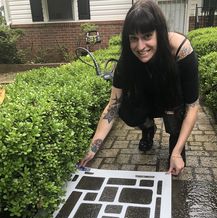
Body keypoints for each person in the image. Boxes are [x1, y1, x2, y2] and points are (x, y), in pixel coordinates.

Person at [79, 0, 199, 176]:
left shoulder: (181, 50)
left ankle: (175, 141)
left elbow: (193, 106)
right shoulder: (126, 61)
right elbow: (113, 105)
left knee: (176, 153)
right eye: (133, 38)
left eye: (147, 36)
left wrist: (176, 152)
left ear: (160, 32)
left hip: (172, 99)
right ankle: (148, 128)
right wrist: (93, 147)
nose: (140, 47)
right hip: (147, 97)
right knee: (127, 109)